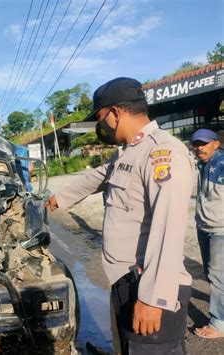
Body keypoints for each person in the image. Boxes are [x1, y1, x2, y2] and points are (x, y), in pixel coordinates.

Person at [46, 77, 195, 354]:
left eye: (100, 118)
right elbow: (98, 176)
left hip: (150, 286)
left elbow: (168, 230)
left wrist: (153, 298)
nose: (99, 125)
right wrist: (56, 199)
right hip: (126, 282)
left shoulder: (162, 152)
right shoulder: (130, 152)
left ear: (115, 113)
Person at [190, 128, 224, 339]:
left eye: (203, 143)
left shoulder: (222, 165)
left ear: (216, 144)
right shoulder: (200, 165)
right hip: (204, 227)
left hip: (221, 230)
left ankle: (219, 323)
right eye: (195, 144)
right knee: (211, 274)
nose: (199, 147)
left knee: (217, 275)